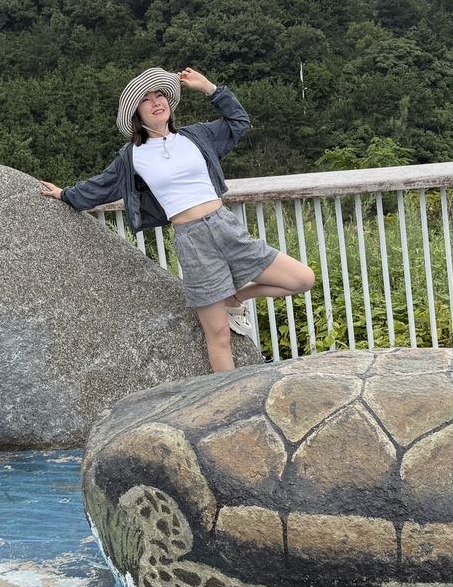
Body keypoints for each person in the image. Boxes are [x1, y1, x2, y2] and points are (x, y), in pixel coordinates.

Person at [39, 67, 315, 372]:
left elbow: (238, 121)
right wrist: (65, 194)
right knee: (219, 336)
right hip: (192, 240)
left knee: (303, 279)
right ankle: (229, 397)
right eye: (146, 99)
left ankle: (237, 295)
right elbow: (101, 186)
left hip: (225, 227)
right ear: (136, 114)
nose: (156, 102)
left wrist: (210, 88)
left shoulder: (197, 136)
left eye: (159, 95)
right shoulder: (132, 156)